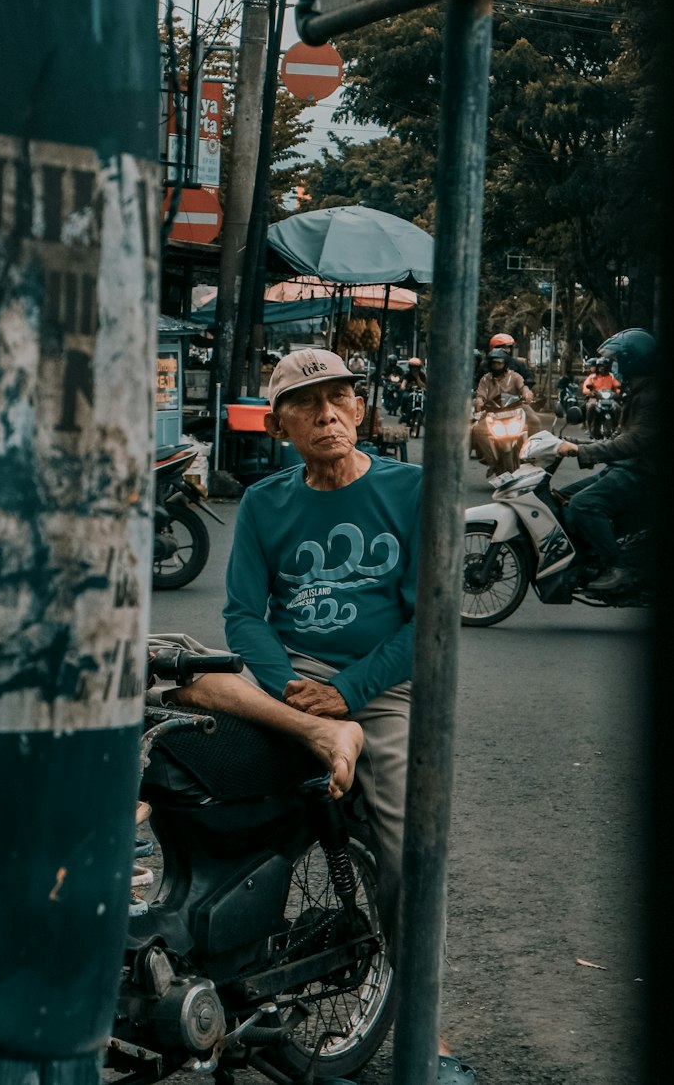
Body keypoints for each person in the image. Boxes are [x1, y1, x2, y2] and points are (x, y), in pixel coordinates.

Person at [165, 348, 473, 1081]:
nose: (327, 413)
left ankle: (427, 1037)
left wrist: (351, 690)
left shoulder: (413, 490)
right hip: (293, 682)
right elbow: (244, 615)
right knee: (175, 685)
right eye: (307, 403)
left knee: (408, 855)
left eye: (339, 398)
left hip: (386, 689)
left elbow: (432, 615)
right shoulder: (269, 502)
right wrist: (288, 687)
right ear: (279, 424)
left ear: (361, 410)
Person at [556, 328, 659, 591]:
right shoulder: (637, 391)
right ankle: (586, 557)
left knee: (581, 505)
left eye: (620, 362)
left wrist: (582, 452)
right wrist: (571, 444)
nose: (616, 367)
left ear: (634, 363)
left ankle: (617, 566)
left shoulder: (651, 397)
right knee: (560, 497)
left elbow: (633, 442)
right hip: (626, 468)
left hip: (643, 474)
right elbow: (615, 436)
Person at [470, 349, 536, 473]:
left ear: (505, 363)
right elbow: (481, 395)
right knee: (478, 430)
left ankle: (531, 453)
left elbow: (523, 388)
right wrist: (479, 401)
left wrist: (527, 394)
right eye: (494, 363)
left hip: (514, 411)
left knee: (532, 423)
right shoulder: (485, 379)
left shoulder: (515, 376)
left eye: (499, 363)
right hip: (493, 413)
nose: (497, 366)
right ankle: (492, 463)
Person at [581, 355, 622, 435]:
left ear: (607, 367)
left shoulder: (611, 376)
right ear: (597, 367)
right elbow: (585, 388)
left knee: (617, 408)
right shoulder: (592, 377)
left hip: (609, 398)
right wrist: (590, 392)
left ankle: (616, 427)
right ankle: (589, 428)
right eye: (600, 366)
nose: (602, 368)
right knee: (591, 406)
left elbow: (617, 386)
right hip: (596, 397)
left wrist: (618, 392)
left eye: (604, 366)